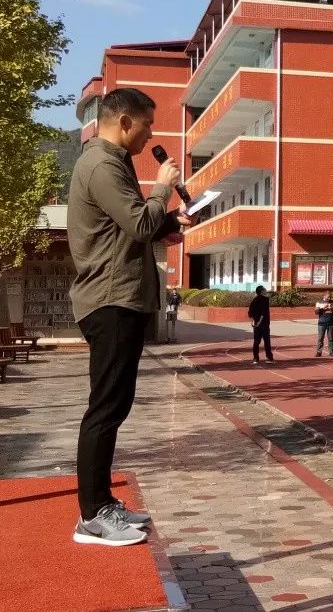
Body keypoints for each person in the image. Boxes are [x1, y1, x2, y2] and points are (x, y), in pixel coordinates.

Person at [68, 88, 192, 546]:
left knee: (113, 406)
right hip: (110, 299)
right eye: (147, 126)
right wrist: (161, 189)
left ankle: (101, 504)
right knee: (105, 407)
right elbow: (139, 223)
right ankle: (92, 515)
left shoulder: (111, 164)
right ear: (123, 122)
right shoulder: (101, 164)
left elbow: (132, 225)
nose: (150, 135)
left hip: (121, 298)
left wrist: (169, 223)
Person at [248, 285, 273, 363]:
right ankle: (269, 357)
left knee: (256, 341)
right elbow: (264, 312)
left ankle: (255, 358)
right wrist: (259, 322)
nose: (265, 290)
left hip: (256, 325)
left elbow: (250, 312)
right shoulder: (265, 299)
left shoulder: (254, 300)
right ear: (261, 291)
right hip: (264, 324)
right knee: (267, 341)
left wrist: (253, 322)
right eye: (264, 289)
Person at [315, 291, 333, 356]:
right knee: (320, 338)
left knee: (330, 338)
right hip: (322, 322)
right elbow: (316, 312)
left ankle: (331, 351)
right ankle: (319, 352)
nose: (329, 299)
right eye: (328, 297)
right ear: (324, 296)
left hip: (330, 322)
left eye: (330, 297)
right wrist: (323, 308)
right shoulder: (319, 302)